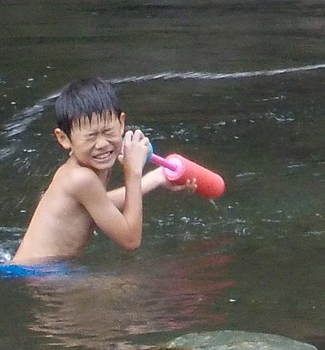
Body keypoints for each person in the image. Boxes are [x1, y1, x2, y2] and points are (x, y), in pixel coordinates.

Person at [10, 78, 194, 265]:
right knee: (133, 287)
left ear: (121, 124)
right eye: (90, 137)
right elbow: (130, 240)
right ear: (64, 139)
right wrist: (133, 172)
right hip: (40, 274)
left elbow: (100, 203)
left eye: (108, 132)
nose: (102, 144)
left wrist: (156, 178)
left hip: (38, 270)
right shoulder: (81, 178)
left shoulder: (80, 171)